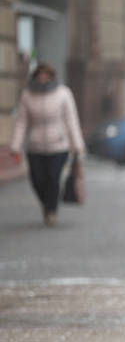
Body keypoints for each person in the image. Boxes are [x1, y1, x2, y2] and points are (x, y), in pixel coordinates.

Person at [10, 63, 86, 227]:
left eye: (46, 75)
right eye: (40, 75)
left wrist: (77, 146)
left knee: (53, 178)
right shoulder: (27, 95)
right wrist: (15, 146)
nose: (43, 78)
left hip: (58, 146)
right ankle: (47, 203)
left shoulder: (63, 93)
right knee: (37, 179)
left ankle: (51, 210)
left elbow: (71, 121)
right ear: (35, 76)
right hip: (35, 146)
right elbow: (22, 122)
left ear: (51, 76)